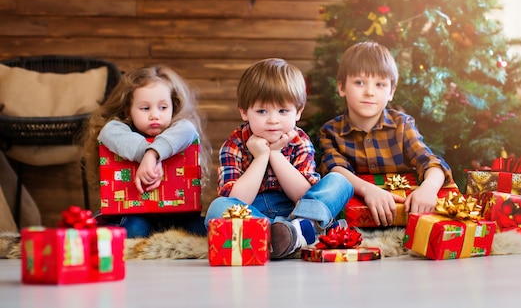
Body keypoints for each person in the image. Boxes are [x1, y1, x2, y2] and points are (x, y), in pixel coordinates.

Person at [205, 58, 353, 259]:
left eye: (283, 111)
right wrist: (261, 157)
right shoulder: (234, 145)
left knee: (339, 182)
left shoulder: (299, 141)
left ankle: (297, 230)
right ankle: (289, 235)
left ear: (298, 112)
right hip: (255, 214)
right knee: (218, 207)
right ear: (244, 112)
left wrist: (275, 155)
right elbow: (238, 201)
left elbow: (304, 195)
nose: (273, 120)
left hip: (298, 211)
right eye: (261, 111)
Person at [318, 41, 456, 227]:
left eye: (380, 84)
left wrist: (429, 189)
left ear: (391, 92)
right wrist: (369, 191)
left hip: (406, 214)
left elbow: (432, 163)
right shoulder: (331, 131)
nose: (369, 92)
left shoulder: (402, 125)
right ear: (342, 87)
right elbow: (335, 169)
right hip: (356, 222)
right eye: (359, 82)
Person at [82, 65, 211, 238]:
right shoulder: (117, 130)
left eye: (163, 107)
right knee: (134, 230)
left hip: (178, 214)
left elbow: (188, 129)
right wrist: (146, 152)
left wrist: (153, 154)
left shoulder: (181, 128)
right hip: (134, 214)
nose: (155, 115)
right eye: (145, 108)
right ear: (128, 109)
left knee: (204, 230)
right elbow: (108, 132)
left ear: (174, 106)